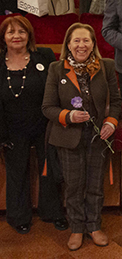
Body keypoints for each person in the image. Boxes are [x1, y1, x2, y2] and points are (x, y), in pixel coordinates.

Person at [42, 23, 122, 251]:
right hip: (68, 137)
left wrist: (111, 122)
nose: (81, 45)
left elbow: (115, 102)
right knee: (74, 185)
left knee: (95, 185)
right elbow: (47, 107)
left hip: (99, 136)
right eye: (76, 40)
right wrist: (68, 116)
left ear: (93, 44)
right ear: (68, 44)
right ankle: (77, 228)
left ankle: (94, 226)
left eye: (86, 40)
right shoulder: (56, 69)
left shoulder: (106, 66)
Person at [0, 16, 66, 235]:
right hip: (12, 127)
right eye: (11, 32)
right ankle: (19, 217)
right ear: (4, 38)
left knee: (50, 169)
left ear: (29, 35)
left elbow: (58, 84)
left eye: (21, 32)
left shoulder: (44, 55)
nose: (17, 36)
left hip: (44, 123)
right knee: (17, 172)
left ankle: (53, 212)